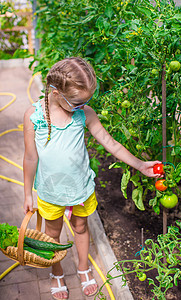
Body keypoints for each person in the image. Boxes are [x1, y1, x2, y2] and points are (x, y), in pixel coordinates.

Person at [23, 57, 161, 299]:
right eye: (77, 102)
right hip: (50, 191)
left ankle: (83, 268)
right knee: (52, 235)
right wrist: (26, 194)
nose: (83, 106)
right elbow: (30, 158)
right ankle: (57, 273)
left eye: (87, 101)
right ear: (55, 93)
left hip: (81, 189)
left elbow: (110, 143)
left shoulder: (83, 114)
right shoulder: (33, 118)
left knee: (80, 227)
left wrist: (140, 166)